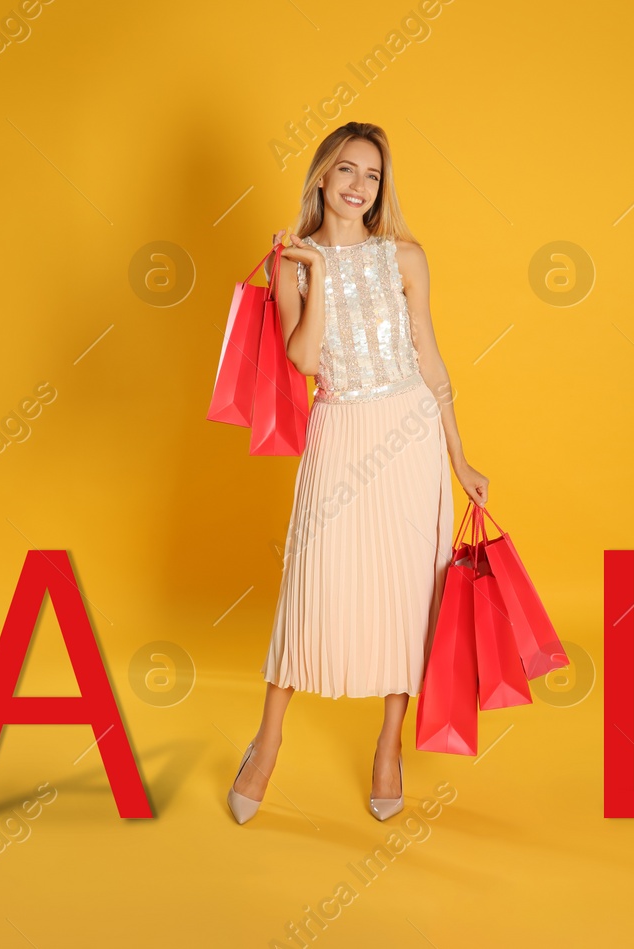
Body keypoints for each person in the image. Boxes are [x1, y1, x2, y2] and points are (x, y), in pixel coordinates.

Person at [228, 121, 488, 824]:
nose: (357, 186)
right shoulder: (290, 262)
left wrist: (458, 456)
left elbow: (429, 357)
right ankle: (268, 739)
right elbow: (308, 363)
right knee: (309, 585)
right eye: (346, 170)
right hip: (340, 430)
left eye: (371, 176)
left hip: (411, 438)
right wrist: (313, 278)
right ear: (321, 175)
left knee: (408, 596)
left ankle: (388, 744)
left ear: (381, 188)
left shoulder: (404, 255)